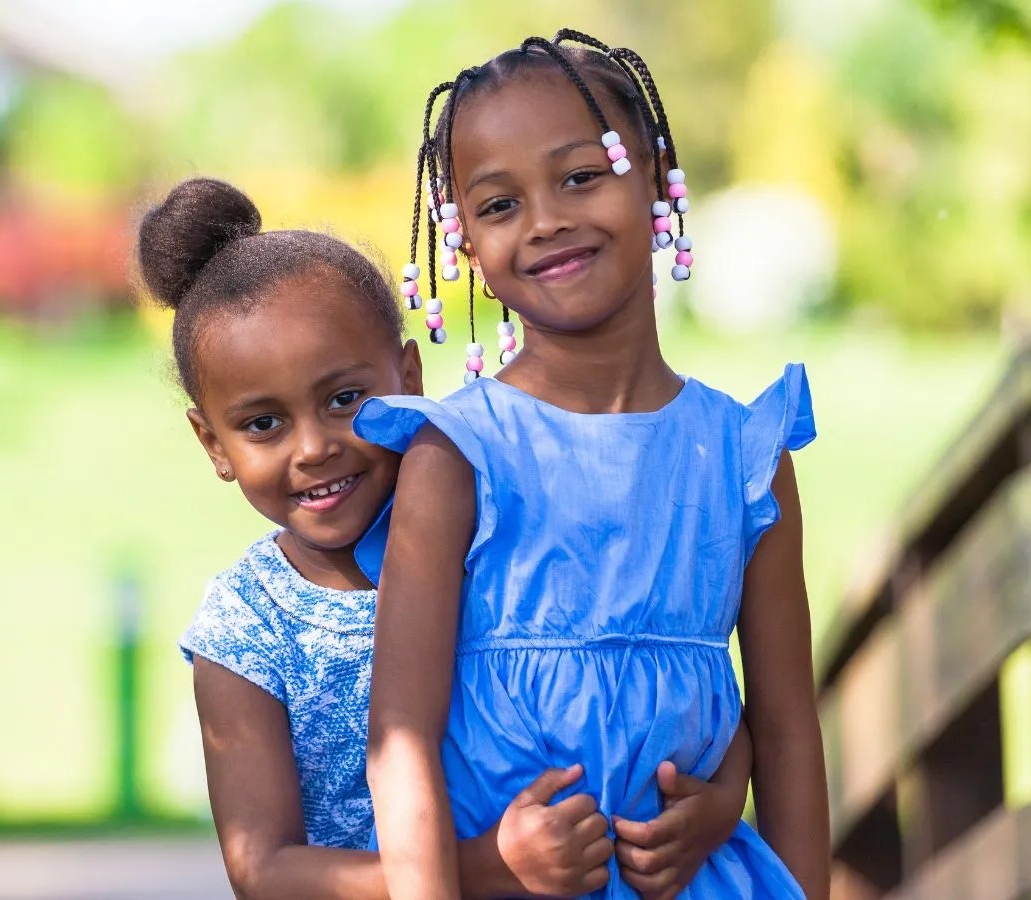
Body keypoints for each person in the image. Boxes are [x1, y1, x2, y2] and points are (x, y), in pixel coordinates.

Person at [141, 176, 757, 898]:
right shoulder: (249, 627)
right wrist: (490, 867)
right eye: (263, 424)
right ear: (212, 443)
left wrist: (719, 803)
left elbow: (668, 669)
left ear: (409, 376)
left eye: (345, 399)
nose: (313, 448)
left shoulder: (502, 529)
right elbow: (263, 869)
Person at [361, 32, 830, 899]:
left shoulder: (743, 460)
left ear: (655, 176)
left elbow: (788, 730)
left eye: (580, 176)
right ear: (466, 243)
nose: (545, 220)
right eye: (500, 205)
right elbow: (400, 741)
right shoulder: (455, 456)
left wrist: (749, 830)